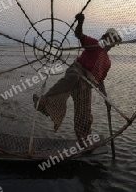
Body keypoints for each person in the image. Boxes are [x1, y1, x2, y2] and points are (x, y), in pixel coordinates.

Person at [33, 13, 122, 142]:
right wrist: (80, 22)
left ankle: (84, 139)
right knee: (73, 77)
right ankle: (44, 103)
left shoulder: (107, 62)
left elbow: (100, 81)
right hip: (76, 72)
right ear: (105, 38)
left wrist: (106, 99)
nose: (111, 43)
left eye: (113, 41)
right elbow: (79, 35)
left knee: (84, 114)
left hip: (86, 85)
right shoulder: (95, 45)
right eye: (110, 39)